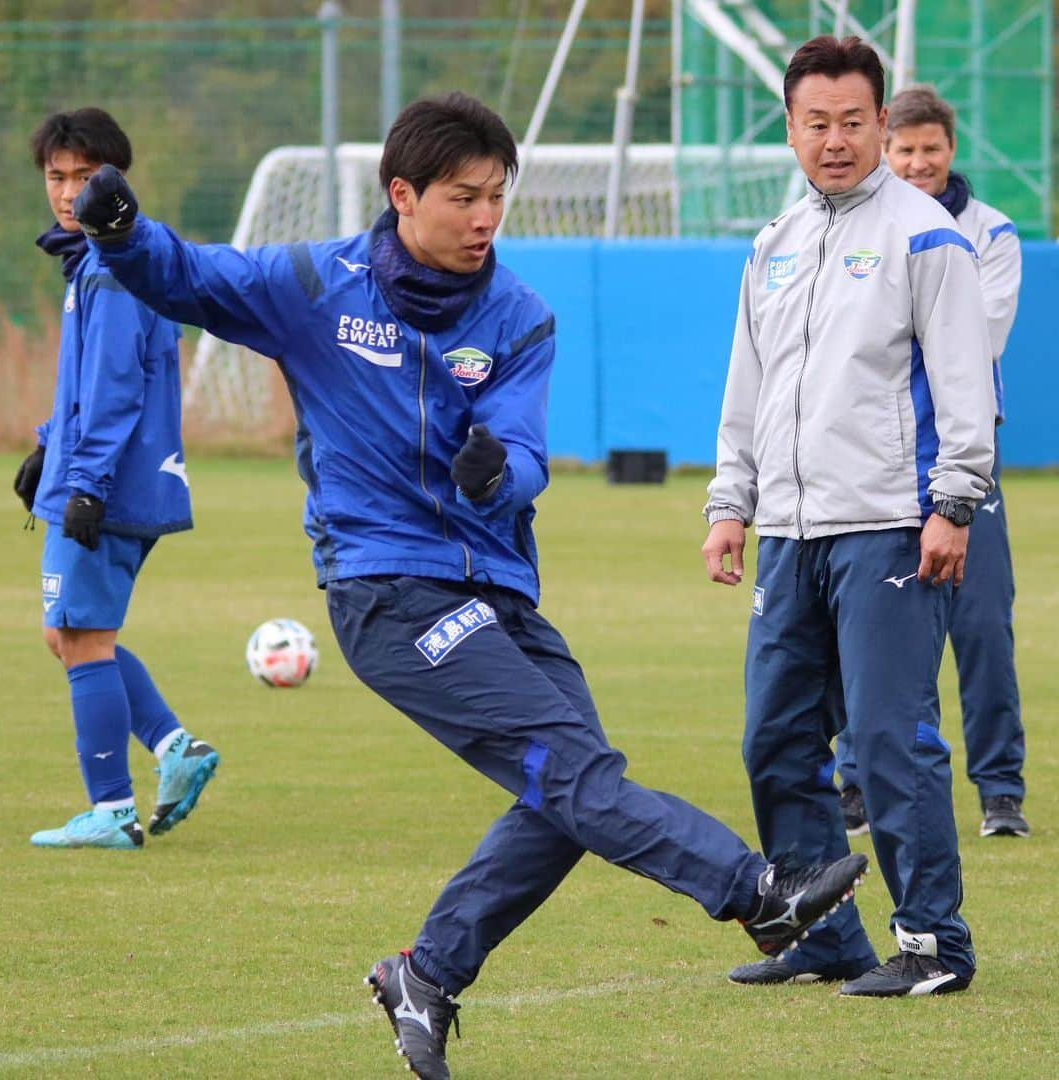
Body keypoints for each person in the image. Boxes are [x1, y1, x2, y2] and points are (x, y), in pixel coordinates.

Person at [73, 91, 866, 1078]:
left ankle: (427, 974)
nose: (485, 216)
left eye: (496, 195)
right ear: (403, 194)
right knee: (576, 778)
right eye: (463, 196)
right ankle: (757, 890)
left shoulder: (518, 315)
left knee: (568, 792)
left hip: (497, 592)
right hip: (386, 597)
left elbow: (526, 448)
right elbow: (187, 276)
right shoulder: (315, 282)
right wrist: (122, 231)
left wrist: (502, 474)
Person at [701, 38, 995, 997]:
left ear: (880, 124)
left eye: (853, 122)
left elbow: (963, 383)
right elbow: (748, 389)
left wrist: (954, 503)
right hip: (788, 532)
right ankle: (821, 929)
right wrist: (730, 504)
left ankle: (932, 943)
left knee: (884, 734)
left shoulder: (925, 235)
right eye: (816, 123)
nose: (835, 140)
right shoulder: (773, 245)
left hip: (891, 524)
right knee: (775, 734)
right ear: (789, 127)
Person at [16, 108, 219, 851]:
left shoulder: (108, 269)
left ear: (115, 179)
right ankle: (176, 751)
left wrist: (86, 484)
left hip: (108, 484)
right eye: (56, 177)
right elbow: (87, 387)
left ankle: (110, 808)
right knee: (67, 633)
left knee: (81, 635)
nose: (68, 192)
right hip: (108, 474)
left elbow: (114, 390)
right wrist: (49, 445)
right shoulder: (102, 258)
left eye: (83, 177)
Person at [835, 84, 1028, 840]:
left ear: (951, 149)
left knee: (981, 620)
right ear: (888, 147)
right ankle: (859, 780)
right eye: (905, 149)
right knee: (870, 619)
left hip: (960, 450)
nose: (918, 162)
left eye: (931, 149)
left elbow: (978, 342)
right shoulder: (858, 225)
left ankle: (1000, 789)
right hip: (874, 451)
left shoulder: (992, 231)